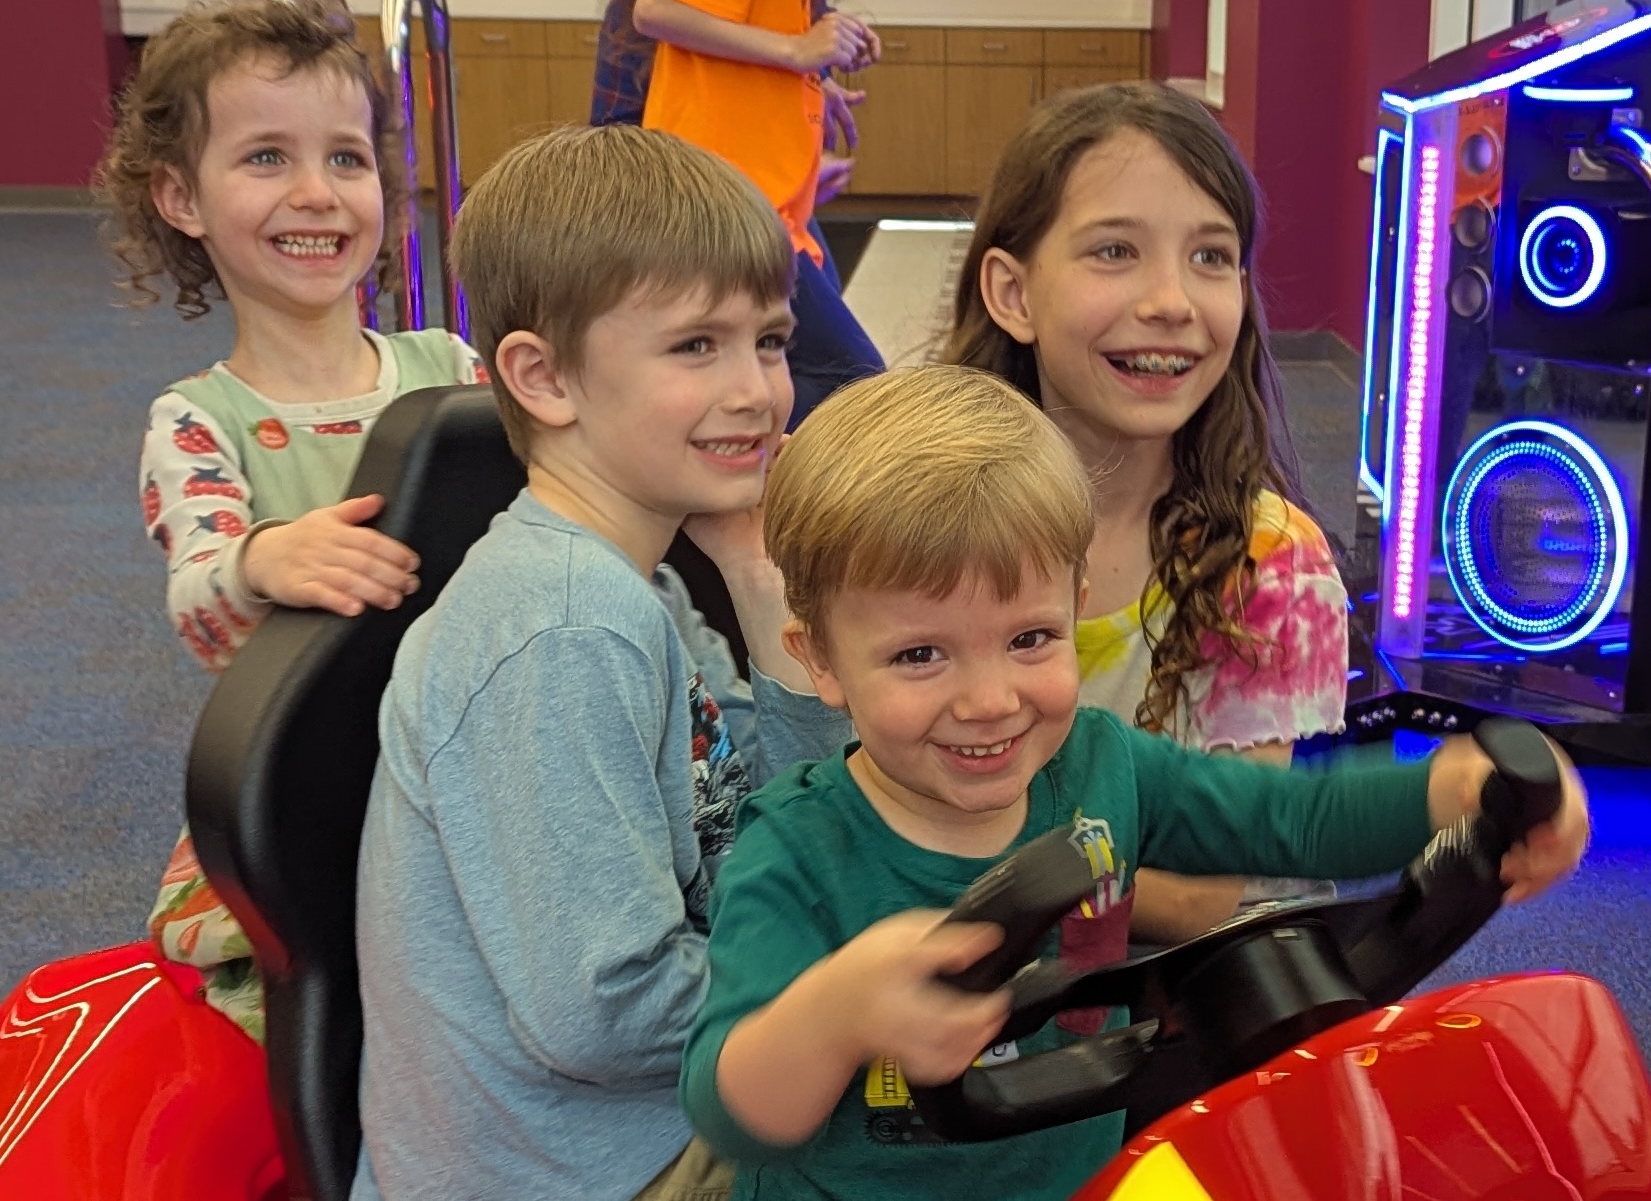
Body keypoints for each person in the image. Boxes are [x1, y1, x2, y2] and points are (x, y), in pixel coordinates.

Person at [679, 365, 1591, 1201]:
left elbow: (1291, 820)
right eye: (919, 655)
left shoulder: (1103, 763)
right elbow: (731, 1115)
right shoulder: (794, 849)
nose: (989, 702)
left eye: (1029, 639)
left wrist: (1449, 791)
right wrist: (837, 1012)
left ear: (1073, 607)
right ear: (821, 660)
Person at [349, 124, 853, 1201]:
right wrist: (835, 994)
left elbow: (801, 819)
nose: (758, 391)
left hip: (649, 1128)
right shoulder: (564, 627)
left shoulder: (645, 587)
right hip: (601, 1169)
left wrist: (758, 577)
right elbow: (603, 1010)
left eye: (768, 341)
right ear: (543, 377)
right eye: (697, 346)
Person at [95, 0, 485, 1039]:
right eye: (267, 157)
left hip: (471, 770)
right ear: (181, 196)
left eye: (346, 158)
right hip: (316, 787)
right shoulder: (198, 420)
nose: (317, 192)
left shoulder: (450, 370)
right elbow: (201, 600)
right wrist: (264, 556)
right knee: (315, 1026)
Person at [943, 80, 1349, 940]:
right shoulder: (923, 523)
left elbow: (1198, 896)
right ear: (1013, 294)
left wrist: (927, 859)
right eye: (1114, 251)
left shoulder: (1270, 564)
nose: (1171, 301)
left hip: (1196, 975)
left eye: (1211, 256)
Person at [631, 0, 886, 427]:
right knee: (850, 381)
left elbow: (738, 32)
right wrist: (797, 51)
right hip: (728, 197)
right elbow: (655, 8)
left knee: (800, 363)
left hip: (765, 196)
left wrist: (808, 79)